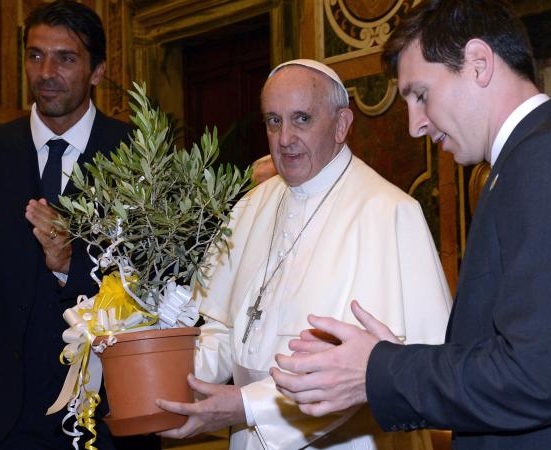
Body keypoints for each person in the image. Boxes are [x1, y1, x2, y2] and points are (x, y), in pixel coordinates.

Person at [271, 1, 551, 449]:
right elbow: (508, 354)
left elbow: (536, 377)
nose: (416, 125)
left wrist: (378, 371)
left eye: (420, 95)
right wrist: (392, 362)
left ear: (478, 63)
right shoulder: (526, 163)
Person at [154, 59, 452, 449]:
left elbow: (376, 372)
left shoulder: (389, 212)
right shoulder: (250, 206)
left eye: (302, 119)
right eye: (273, 121)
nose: (284, 138)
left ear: (342, 124)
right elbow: (225, 329)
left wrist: (245, 405)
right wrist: (172, 379)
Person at [0, 1, 159, 449]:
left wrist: (72, 263)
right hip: (15, 410)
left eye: (65, 58)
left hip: (114, 406)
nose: (46, 71)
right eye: (35, 55)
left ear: (97, 70)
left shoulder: (139, 154)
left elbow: (159, 282)